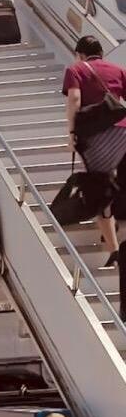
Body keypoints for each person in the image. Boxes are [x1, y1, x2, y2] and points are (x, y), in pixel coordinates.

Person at [63, 35, 126, 267]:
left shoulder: (76, 69)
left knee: (98, 191)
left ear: (80, 54)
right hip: (123, 134)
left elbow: (75, 100)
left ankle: (114, 249)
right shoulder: (118, 70)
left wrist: (71, 132)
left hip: (98, 138)